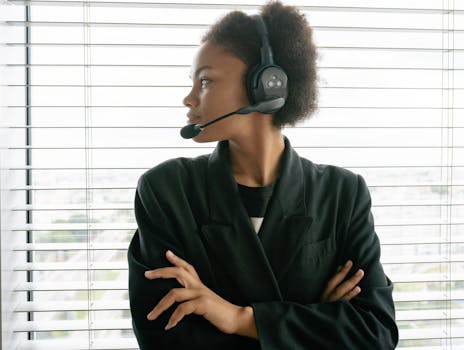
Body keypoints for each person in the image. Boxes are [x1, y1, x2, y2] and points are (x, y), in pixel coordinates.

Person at [127, 2, 398, 349]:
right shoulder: (166, 191)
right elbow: (164, 338)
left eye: (206, 80)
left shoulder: (343, 193)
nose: (189, 98)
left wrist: (235, 317)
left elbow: (375, 333)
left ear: (266, 86)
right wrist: (316, 319)